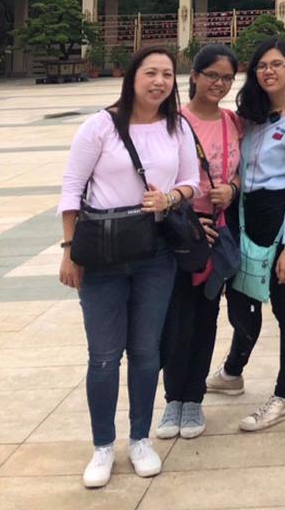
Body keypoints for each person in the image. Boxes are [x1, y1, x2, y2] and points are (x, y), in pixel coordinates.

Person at [58, 47, 199, 489]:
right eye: (150, 72)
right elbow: (71, 189)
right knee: (103, 356)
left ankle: (140, 438)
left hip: (153, 253)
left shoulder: (177, 126)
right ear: (133, 77)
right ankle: (103, 445)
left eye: (167, 74)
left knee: (145, 352)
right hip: (100, 255)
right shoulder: (100, 126)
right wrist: (68, 250)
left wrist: (169, 199)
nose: (159, 81)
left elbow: (192, 181)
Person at [206, 37, 285, 430]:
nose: (268, 71)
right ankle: (233, 373)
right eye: (261, 66)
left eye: (277, 64)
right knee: (240, 301)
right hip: (243, 215)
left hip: (278, 217)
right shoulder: (251, 117)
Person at [157, 44, 242, 440]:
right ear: (195, 75)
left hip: (218, 231)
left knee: (206, 317)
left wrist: (233, 188)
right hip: (180, 232)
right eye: (212, 75)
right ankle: (173, 398)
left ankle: (194, 399)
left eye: (226, 77)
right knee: (176, 319)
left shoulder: (233, 122)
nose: (219, 84)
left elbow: (244, 171)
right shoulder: (171, 122)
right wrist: (188, 217)